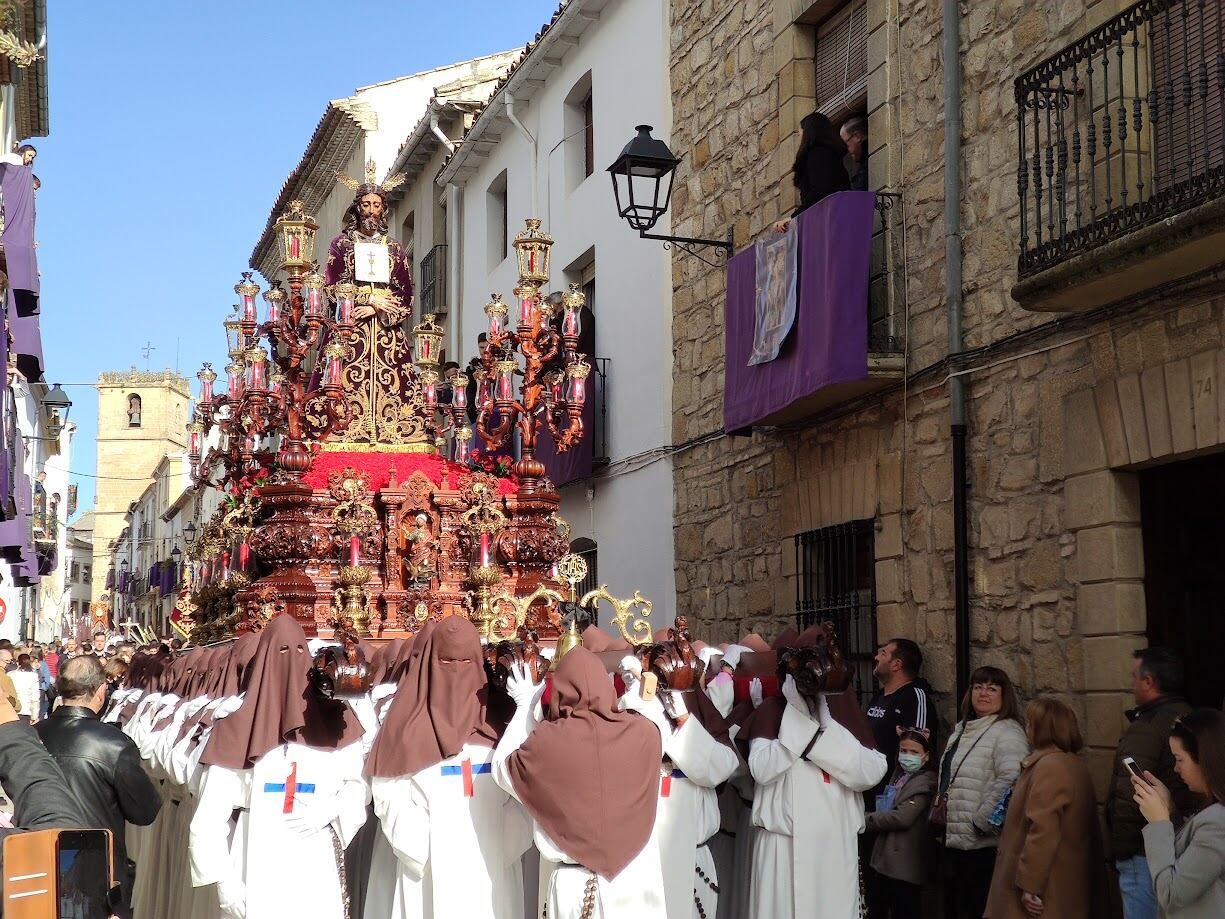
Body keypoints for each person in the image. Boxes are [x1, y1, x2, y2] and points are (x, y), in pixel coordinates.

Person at [189, 614, 369, 919]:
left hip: (315, 857)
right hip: (254, 856)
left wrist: (331, 812)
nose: (290, 662)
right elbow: (209, 814)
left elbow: (356, 786)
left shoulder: (338, 721)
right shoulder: (237, 728)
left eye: (299, 652)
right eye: (281, 653)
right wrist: (225, 883)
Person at [364, 616, 529, 919]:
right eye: (446, 661)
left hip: (493, 858)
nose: (456, 671)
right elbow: (387, 789)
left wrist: (506, 840)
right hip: (428, 865)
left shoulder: (499, 720)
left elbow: (525, 783)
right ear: (430, 663)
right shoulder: (406, 723)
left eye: (465, 661)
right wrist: (419, 845)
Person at [492, 646, 669, 918]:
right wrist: (636, 690)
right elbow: (657, 723)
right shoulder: (643, 734)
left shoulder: (547, 744)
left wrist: (525, 706)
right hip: (635, 886)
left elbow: (504, 768)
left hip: (574, 889)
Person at [743, 661, 888, 918]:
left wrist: (825, 728)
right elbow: (762, 769)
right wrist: (797, 721)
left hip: (835, 849)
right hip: (784, 850)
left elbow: (870, 772)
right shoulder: (772, 711)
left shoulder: (839, 713)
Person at [36, 654, 163, 917]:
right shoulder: (115, 743)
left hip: (38, 857)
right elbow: (145, 812)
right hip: (97, 870)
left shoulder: (31, 735)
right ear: (101, 690)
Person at [324, 161, 423, 448]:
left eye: (376, 205)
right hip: (350, 326)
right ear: (357, 208)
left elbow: (405, 293)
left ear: (383, 209)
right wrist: (367, 300)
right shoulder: (341, 245)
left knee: (395, 385)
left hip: (386, 333)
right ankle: (342, 427)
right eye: (366, 204)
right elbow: (332, 285)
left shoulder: (394, 248)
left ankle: (394, 430)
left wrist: (379, 308)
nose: (371, 210)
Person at [985, 697, 1111, 918]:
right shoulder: (1071, 764)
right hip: (1063, 879)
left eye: (1030, 723)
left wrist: (1030, 884)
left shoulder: (1050, 766)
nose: (1027, 728)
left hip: (1049, 885)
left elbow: (1043, 830)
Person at [1107, 647, 1195, 919]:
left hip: (1143, 852)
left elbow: (1130, 792)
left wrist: (1122, 851)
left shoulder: (1150, 725)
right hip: (1172, 844)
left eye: (1134, 676)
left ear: (1148, 682)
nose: (1131, 683)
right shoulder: (1187, 714)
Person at [938, 666, 1030, 919]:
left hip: (983, 845)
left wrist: (982, 821)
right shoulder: (962, 728)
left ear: (1004, 695)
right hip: (956, 842)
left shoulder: (1007, 732)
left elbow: (1013, 780)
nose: (983, 693)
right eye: (978, 687)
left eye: (992, 688)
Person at [1132, 708, 1225, 917]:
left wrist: (1158, 823)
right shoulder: (1213, 812)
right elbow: (1190, 855)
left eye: (1179, 759)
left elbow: (1172, 894)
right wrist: (1170, 810)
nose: (1175, 768)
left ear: (1204, 758)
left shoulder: (1218, 822)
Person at [865, 727, 936, 919]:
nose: (907, 756)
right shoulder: (899, 778)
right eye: (904, 751)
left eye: (914, 752)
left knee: (905, 909)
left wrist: (866, 820)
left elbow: (902, 817)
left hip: (904, 865)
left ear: (926, 756)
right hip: (885, 862)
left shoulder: (924, 783)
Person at [866, 638, 934, 805]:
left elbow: (918, 747)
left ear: (896, 664)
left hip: (895, 795)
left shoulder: (914, 697)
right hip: (869, 787)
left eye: (882, 653)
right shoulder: (879, 696)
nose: (876, 657)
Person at [771, 112, 850, 234]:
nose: (799, 137)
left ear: (808, 131)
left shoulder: (817, 153)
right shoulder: (829, 154)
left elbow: (819, 192)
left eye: (800, 133)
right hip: (834, 220)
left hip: (828, 224)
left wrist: (793, 218)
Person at [10, 653, 41, 724]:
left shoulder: (10, 674)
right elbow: (35, 697)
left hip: (12, 710)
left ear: (17, 663)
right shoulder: (33, 676)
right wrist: (35, 716)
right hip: (26, 710)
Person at [841, 115, 869, 191]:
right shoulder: (865, 163)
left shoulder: (870, 161)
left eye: (846, 144)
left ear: (857, 137)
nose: (847, 150)